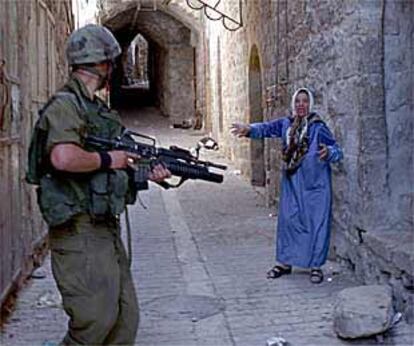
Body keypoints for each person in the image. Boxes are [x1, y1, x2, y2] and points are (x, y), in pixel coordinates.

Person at [26, 24, 171, 345]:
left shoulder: (96, 110)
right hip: (78, 230)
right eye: (110, 63)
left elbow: (121, 162)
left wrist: (149, 172)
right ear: (101, 64)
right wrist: (110, 160)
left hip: (103, 226)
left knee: (124, 320)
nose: (112, 70)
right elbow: (63, 158)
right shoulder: (65, 106)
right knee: (94, 322)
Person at [231, 87, 343, 284]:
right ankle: (285, 263)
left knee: (316, 224)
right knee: (288, 221)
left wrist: (329, 152)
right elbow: (266, 128)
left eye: (305, 101)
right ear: (294, 104)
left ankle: (316, 266)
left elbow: (337, 150)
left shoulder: (318, 127)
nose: (301, 105)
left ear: (310, 104)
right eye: (298, 101)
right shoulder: (286, 125)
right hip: (292, 183)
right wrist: (248, 129)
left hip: (316, 186)